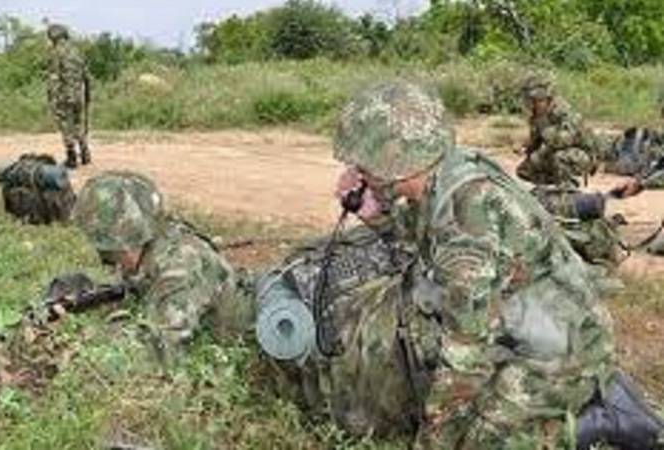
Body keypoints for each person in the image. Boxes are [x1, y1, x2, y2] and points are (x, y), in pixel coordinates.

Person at [260, 81, 663, 448]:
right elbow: (426, 233)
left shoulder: (468, 221)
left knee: (475, 442)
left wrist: (433, 441)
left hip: (559, 352)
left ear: (392, 160)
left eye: (363, 165)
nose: (356, 172)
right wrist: (377, 215)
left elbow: (465, 358)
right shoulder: (452, 170)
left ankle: (604, 417)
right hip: (537, 327)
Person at [71, 171, 241, 360]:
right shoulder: (154, 241)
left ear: (127, 242)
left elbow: (163, 349)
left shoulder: (181, 266)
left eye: (110, 253)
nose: (111, 262)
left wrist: (91, 339)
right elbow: (133, 289)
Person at [516, 77, 602, 188]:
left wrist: (544, 143)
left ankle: (568, 186)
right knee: (525, 170)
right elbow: (536, 140)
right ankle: (552, 186)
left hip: (581, 154)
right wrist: (526, 148)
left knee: (559, 157)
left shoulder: (564, 112)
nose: (536, 105)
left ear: (549, 100)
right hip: (552, 150)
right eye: (534, 101)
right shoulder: (537, 116)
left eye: (539, 101)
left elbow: (567, 139)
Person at [46, 24, 90, 169]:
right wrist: (87, 95)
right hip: (78, 95)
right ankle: (85, 153)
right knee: (78, 124)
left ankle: (71, 157)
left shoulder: (57, 52)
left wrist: (51, 98)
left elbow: (54, 77)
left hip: (64, 96)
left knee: (66, 126)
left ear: (53, 37)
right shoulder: (76, 52)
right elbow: (86, 76)